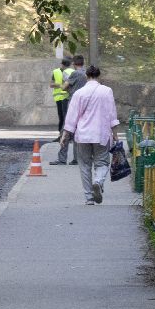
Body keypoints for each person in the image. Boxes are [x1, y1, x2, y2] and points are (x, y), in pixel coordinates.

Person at [60, 65, 120, 205]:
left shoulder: (79, 93)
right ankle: (98, 181)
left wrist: (65, 135)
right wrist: (115, 134)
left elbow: (71, 116)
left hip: (83, 135)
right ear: (99, 76)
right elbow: (112, 113)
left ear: (86, 76)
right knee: (102, 162)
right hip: (101, 134)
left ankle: (89, 198)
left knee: (85, 165)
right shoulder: (107, 91)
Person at [53, 55, 87, 165]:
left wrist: (59, 84)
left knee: (66, 129)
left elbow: (64, 87)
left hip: (73, 103)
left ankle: (62, 158)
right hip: (84, 105)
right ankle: (77, 158)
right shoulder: (87, 73)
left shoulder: (75, 73)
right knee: (78, 130)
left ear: (73, 63)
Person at [50, 56, 71, 143]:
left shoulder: (70, 72)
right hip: (59, 98)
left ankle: (66, 136)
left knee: (67, 118)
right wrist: (60, 85)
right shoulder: (56, 72)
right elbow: (51, 84)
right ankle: (61, 135)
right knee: (62, 117)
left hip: (68, 98)